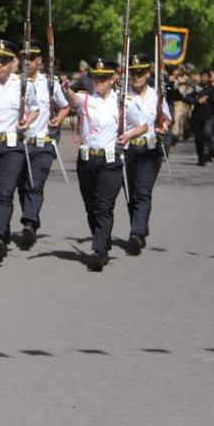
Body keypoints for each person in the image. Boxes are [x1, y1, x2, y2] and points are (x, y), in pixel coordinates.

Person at [0, 38, 39, 266]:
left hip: (12, 146)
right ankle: (1, 229)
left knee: (4, 192)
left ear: (14, 63)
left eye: (5, 60)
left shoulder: (24, 85)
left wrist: (26, 121)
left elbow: (34, 109)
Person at [62, 58, 124, 272]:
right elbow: (73, 101)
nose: (99, 81)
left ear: (113, 79)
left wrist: (130, 135)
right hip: (87, 160)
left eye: (104, 77)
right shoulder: (86, 99)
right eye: (96, 77)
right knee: (91, 207)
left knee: (104, 206)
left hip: (110, 161)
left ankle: (98, 251)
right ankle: (103, 242)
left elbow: (141, 123)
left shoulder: (121, 101)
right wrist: (66, 90)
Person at [15, 40, 69, 249]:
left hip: (42, 143)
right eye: (23, 58)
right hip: (20, 143)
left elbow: (64, 106)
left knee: (34, 184)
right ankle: (32, 219)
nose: (26, 63)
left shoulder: (49, 83)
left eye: (31, 59)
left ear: (39, 61)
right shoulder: (15, 82)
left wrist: (58, 118)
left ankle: (28, 223)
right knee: (21, 186)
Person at [122, 52, 172, 256]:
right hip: (127, 149)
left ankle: (136, 233)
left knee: (143, 191)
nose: (137, 76)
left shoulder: (156, 96)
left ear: (148, 73)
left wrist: (163, 127)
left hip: (149, 149)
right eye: (134, 73)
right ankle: (140, 224)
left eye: (141, 72)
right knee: (130, 193)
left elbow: (166, 118)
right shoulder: (123, 96)